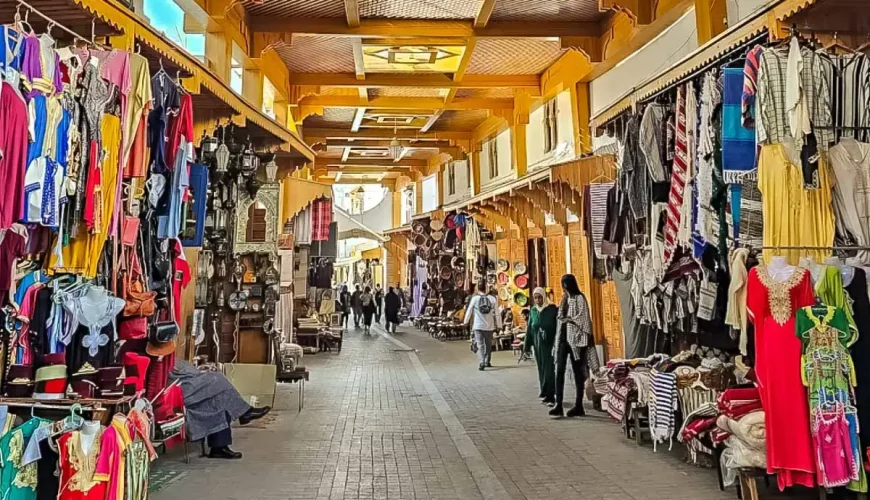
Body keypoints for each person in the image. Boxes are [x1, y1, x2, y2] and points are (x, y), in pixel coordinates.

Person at [169, 360, 271, 459]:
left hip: (185, 388)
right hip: (179, 394)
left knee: (220, 398)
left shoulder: (168, 358)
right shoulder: (160, 363)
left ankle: (219, 447)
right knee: (218, 379)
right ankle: (245, 413)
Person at [552, 274, 595, 418]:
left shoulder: (579, 298)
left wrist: (569, 319)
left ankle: (579, 405)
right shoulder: (564, 299)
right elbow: (560, 318)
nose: (564, 287)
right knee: (559, 371)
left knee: (578, 372)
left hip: (577, 341)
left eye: (566, 284)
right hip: (563, 339)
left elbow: (584, 320)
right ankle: (558, 403)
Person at [524, 287, 558, 405]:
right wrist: (526, 347)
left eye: (539, 297)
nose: (538, 300)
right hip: (538, 344)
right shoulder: (533, 311)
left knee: (549, 369)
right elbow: (529, 329)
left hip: (549, 343)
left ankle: (551, 395)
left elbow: (557, 327)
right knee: (541, 369)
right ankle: (544, 391)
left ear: (544, 297)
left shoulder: (552, 309)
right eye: (535, 298)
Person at [464, 282, 502, 371]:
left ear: (477, 288)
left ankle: (481, 362)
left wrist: (465, 322)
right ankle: (487, 361)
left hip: (478, 325)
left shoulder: (475, 299)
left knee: (480, 344)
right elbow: (497, 313)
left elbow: (469, 310)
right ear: (486, 288)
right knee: (488, 345)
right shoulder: (492, 299)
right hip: (489, 326)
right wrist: (499, 325)